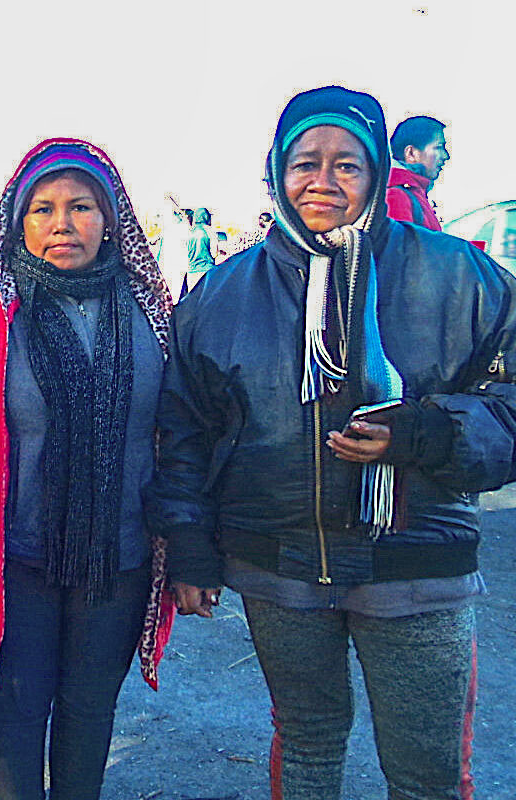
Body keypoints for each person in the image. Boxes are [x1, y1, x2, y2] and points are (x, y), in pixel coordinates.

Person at [148, 86, 516, 799]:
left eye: (346, 164)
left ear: (378, 171)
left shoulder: (462, 278)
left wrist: (431, 432)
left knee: (425, 774)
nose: (322, 181)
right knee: (308, 742)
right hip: (277, 567)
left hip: (417, 567)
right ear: (276, 173)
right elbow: (183, 433)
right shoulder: (220, 295)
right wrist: (191, 547)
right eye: (303, 163)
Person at [0, 138, 175, 800]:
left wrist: (193, 556)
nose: (62, 223)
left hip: (120, 562)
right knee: (18, 712)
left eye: (81, 206)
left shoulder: (151, 309)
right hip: (18, 561)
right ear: (17, 221)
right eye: (43, 208)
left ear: (111, 218)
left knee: (90, 715)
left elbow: (182, 439)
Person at [385, 116, 449, 231]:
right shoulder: (397, 197)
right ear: (411, 153)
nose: (445, 156)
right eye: (438, 147)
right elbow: (397, 248)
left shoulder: (413, 193)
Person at [182, 206, 216, 295]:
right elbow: (214, 253)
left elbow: (185, 254)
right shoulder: (209, 231)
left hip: (191, 273)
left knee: (194, 302)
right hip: (207, 271)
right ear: (206, 217)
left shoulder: (189, 233)